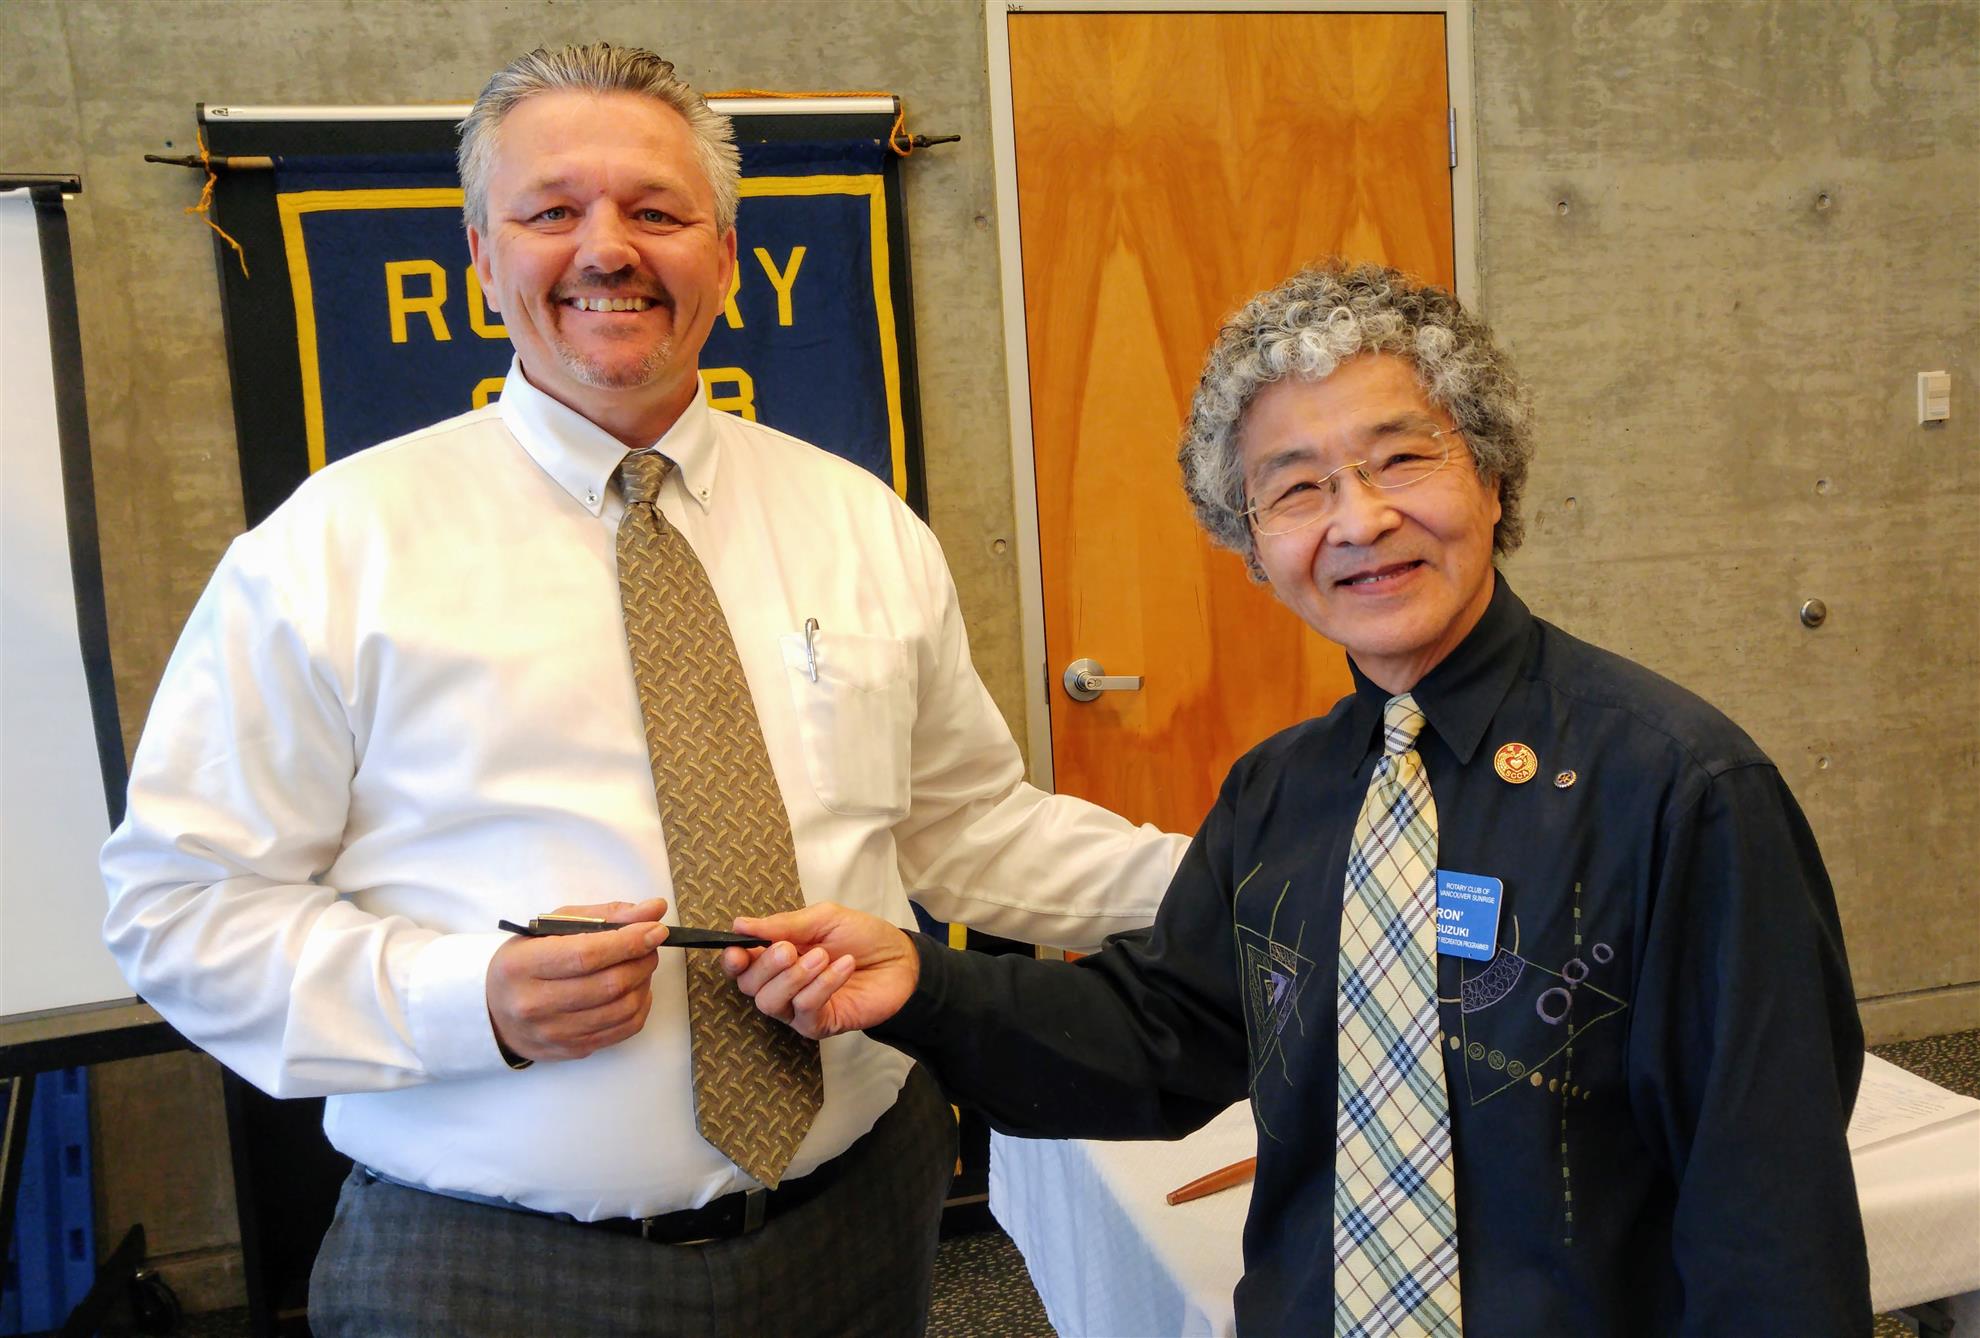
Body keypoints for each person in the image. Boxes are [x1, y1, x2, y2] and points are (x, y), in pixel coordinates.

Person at [100, 42, 1183, 1337]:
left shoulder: (859, 522)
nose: (606, 249)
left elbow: (967, 830)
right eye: (552, 211)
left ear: (725, 254)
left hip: (858, 1221)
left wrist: (1266, 874)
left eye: (657, 211)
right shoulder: (329, 551)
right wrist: (470, 998)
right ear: (482, 256)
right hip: (488, 1273)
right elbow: (179, 909)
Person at [727, 263, 1873, 1336]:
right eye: (1297, 489)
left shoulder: (1680, 790)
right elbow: (1163, 1035)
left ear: (1492, 476)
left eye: (1401, 460)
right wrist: (922, 984)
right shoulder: (1283, 792)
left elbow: (1770, 1207)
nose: (1358, 521)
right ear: (1254, 544)